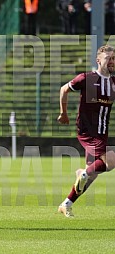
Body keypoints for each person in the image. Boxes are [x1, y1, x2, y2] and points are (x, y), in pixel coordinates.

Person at [57, 44, 115, 217]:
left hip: (102, 133)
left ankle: (66, 203)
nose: (111, 61)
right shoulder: (86, 78)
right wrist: (63, 113)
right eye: (108, 58)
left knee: (92, 175)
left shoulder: (113, 83)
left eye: (113, 59)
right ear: (98, 60)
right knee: (111, 160)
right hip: (88, 132)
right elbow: (64, 89)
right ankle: (83, 173)